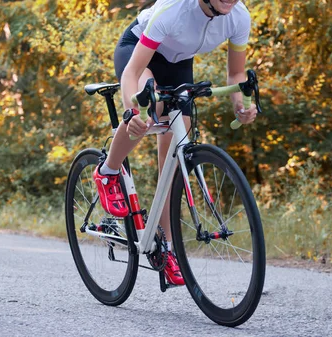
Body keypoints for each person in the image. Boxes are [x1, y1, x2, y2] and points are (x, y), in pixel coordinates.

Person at [92, 0, 258, 286]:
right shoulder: (173, 10)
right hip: (139, 52)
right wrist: (132, 111)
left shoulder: (239, 17)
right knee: (151, 109)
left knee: (177, 150)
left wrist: (241, 106)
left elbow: (235, 75)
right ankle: (107, 171)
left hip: (179, 64)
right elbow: (132, 73)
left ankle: (165, 245)